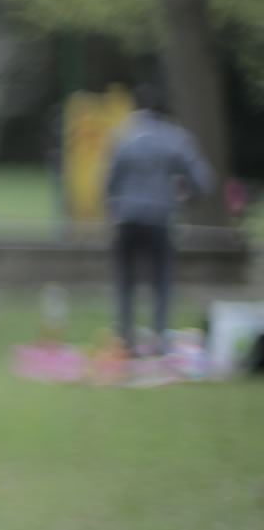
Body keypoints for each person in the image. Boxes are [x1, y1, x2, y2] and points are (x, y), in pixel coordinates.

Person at [105, 81, 216, 354]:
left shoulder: (122, 137)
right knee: (161, 281)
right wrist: (186, 196)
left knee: (126, 280)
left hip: (127, 218)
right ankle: (159, 338)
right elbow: (204, 181)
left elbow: (109, 183)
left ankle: (125, 336)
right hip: (159, 217)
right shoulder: (175, 139)